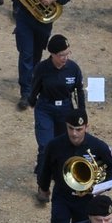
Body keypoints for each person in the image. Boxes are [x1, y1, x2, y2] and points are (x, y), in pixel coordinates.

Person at [36, 110, 112, 223]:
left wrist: (101, 187)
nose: (74, 134)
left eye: (79, 129)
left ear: (86, 127)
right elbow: (46, 168)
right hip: (62, 197)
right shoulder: (55, 145)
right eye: (70, 128)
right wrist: (43, 187)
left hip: (86, 201)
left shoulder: (97, 146)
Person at [12, 0, 72, 110]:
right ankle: (25, 92)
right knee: (26, 54)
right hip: (25, 19)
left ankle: (32, 83)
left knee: (37, 54)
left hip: (43, 22)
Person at [27, 34, 85, 175]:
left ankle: (57, 169)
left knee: (63, 143)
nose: (65, 58)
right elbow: (34, 88)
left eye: (67, 53)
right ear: (52, 54)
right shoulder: (42, 68)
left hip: (65, 109)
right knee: (45, 145)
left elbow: (78, 90)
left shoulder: (73, 69)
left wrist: (81, 112)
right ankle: (42, 177)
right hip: (46, 108)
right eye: (61, 55)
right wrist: (32, 101)